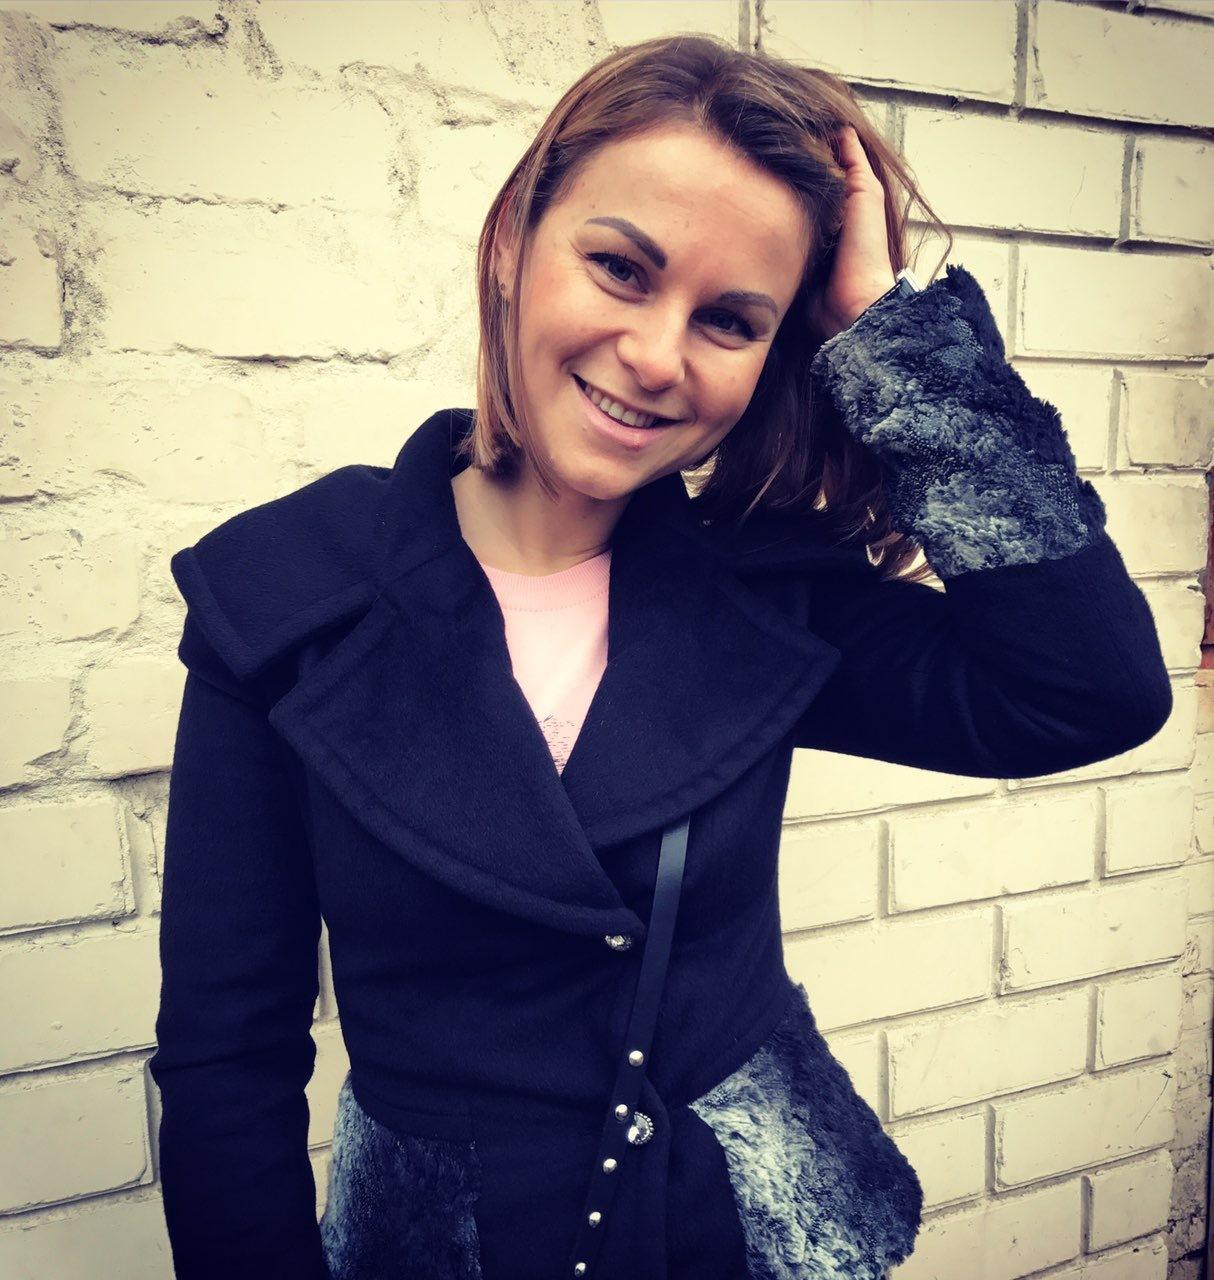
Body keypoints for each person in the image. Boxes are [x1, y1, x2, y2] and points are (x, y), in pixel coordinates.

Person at [148, 32, 1173, 1280]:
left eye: (729, 319)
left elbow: (1086, 687)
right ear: (512, 241)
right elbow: (228, 1050)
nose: (653, 354)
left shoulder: (761, 594)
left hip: (742, 1230)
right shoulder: (285, 596)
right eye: (620, 268)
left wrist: (890, 337)